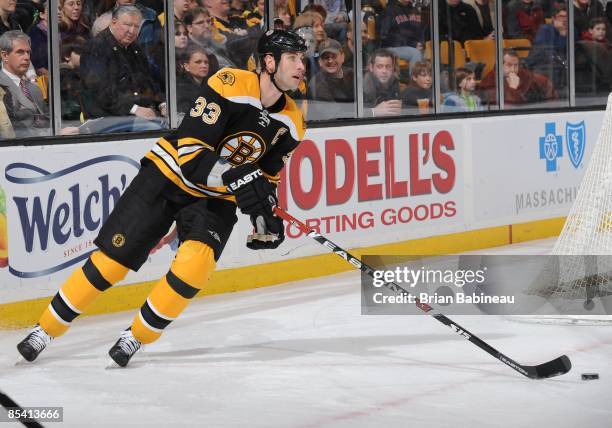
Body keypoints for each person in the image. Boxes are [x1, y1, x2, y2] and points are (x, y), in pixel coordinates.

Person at [16, 29, 307, 368]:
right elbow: (192, 154)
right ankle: (46, 329)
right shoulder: (229, 83)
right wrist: (240, 178)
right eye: (294, 58)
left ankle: (136, 336)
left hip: (215, 197)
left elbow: (266, 178)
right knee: (112, 261)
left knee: (195, 267)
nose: (302, 65)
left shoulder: (293, 123)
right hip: (169, 175)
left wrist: (264, 216)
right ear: (269, 62)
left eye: (302, 58)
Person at [79, 5, 165, 132]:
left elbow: (147, 80)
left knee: (174, 123)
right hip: (106, 118)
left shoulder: (135, 48)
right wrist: (135, 109)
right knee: (154, 129)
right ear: (114, 22)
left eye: (136, 27)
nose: (132, 31)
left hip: (133, 115)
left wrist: (161, 103)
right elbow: (101, 91)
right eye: (127, 25)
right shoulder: (96, 47)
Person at [0, 30, 50, 137]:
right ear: (5, 56)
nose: (27, 57)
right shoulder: (1, 88)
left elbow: (47, 120)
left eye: (28, 52)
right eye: (20, 52)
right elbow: (11, 131)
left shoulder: (34, 89)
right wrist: (52, 133)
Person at [480, 49, 556, 105]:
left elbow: (544, 82)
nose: (513, 70)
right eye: (509, 65)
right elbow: (507, 108)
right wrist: (512, 88)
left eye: (516, 65)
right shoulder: (489, 80)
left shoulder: (522, 73)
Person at [307, 38, 354, 120]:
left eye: (334, 56)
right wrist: (372, 112)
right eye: (326, 57)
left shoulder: (352, 74)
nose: (330, 60)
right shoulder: (317, 84)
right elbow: (337, 116)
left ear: (343, 57)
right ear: (320, 62)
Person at [363, 49, 402, 117]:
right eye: (380, 66)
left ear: (393, 68)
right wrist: (374, 111)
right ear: (371, 67)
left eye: (388, 66)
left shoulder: (394, 81)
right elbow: (349, 113)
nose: (384, 71)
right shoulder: (361, 86)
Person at [176, 43, 210, 114]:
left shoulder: (211, 83)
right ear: (186, 66)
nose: (204, 65)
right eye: (198, 62)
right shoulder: (179, 86)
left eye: (206, 62)